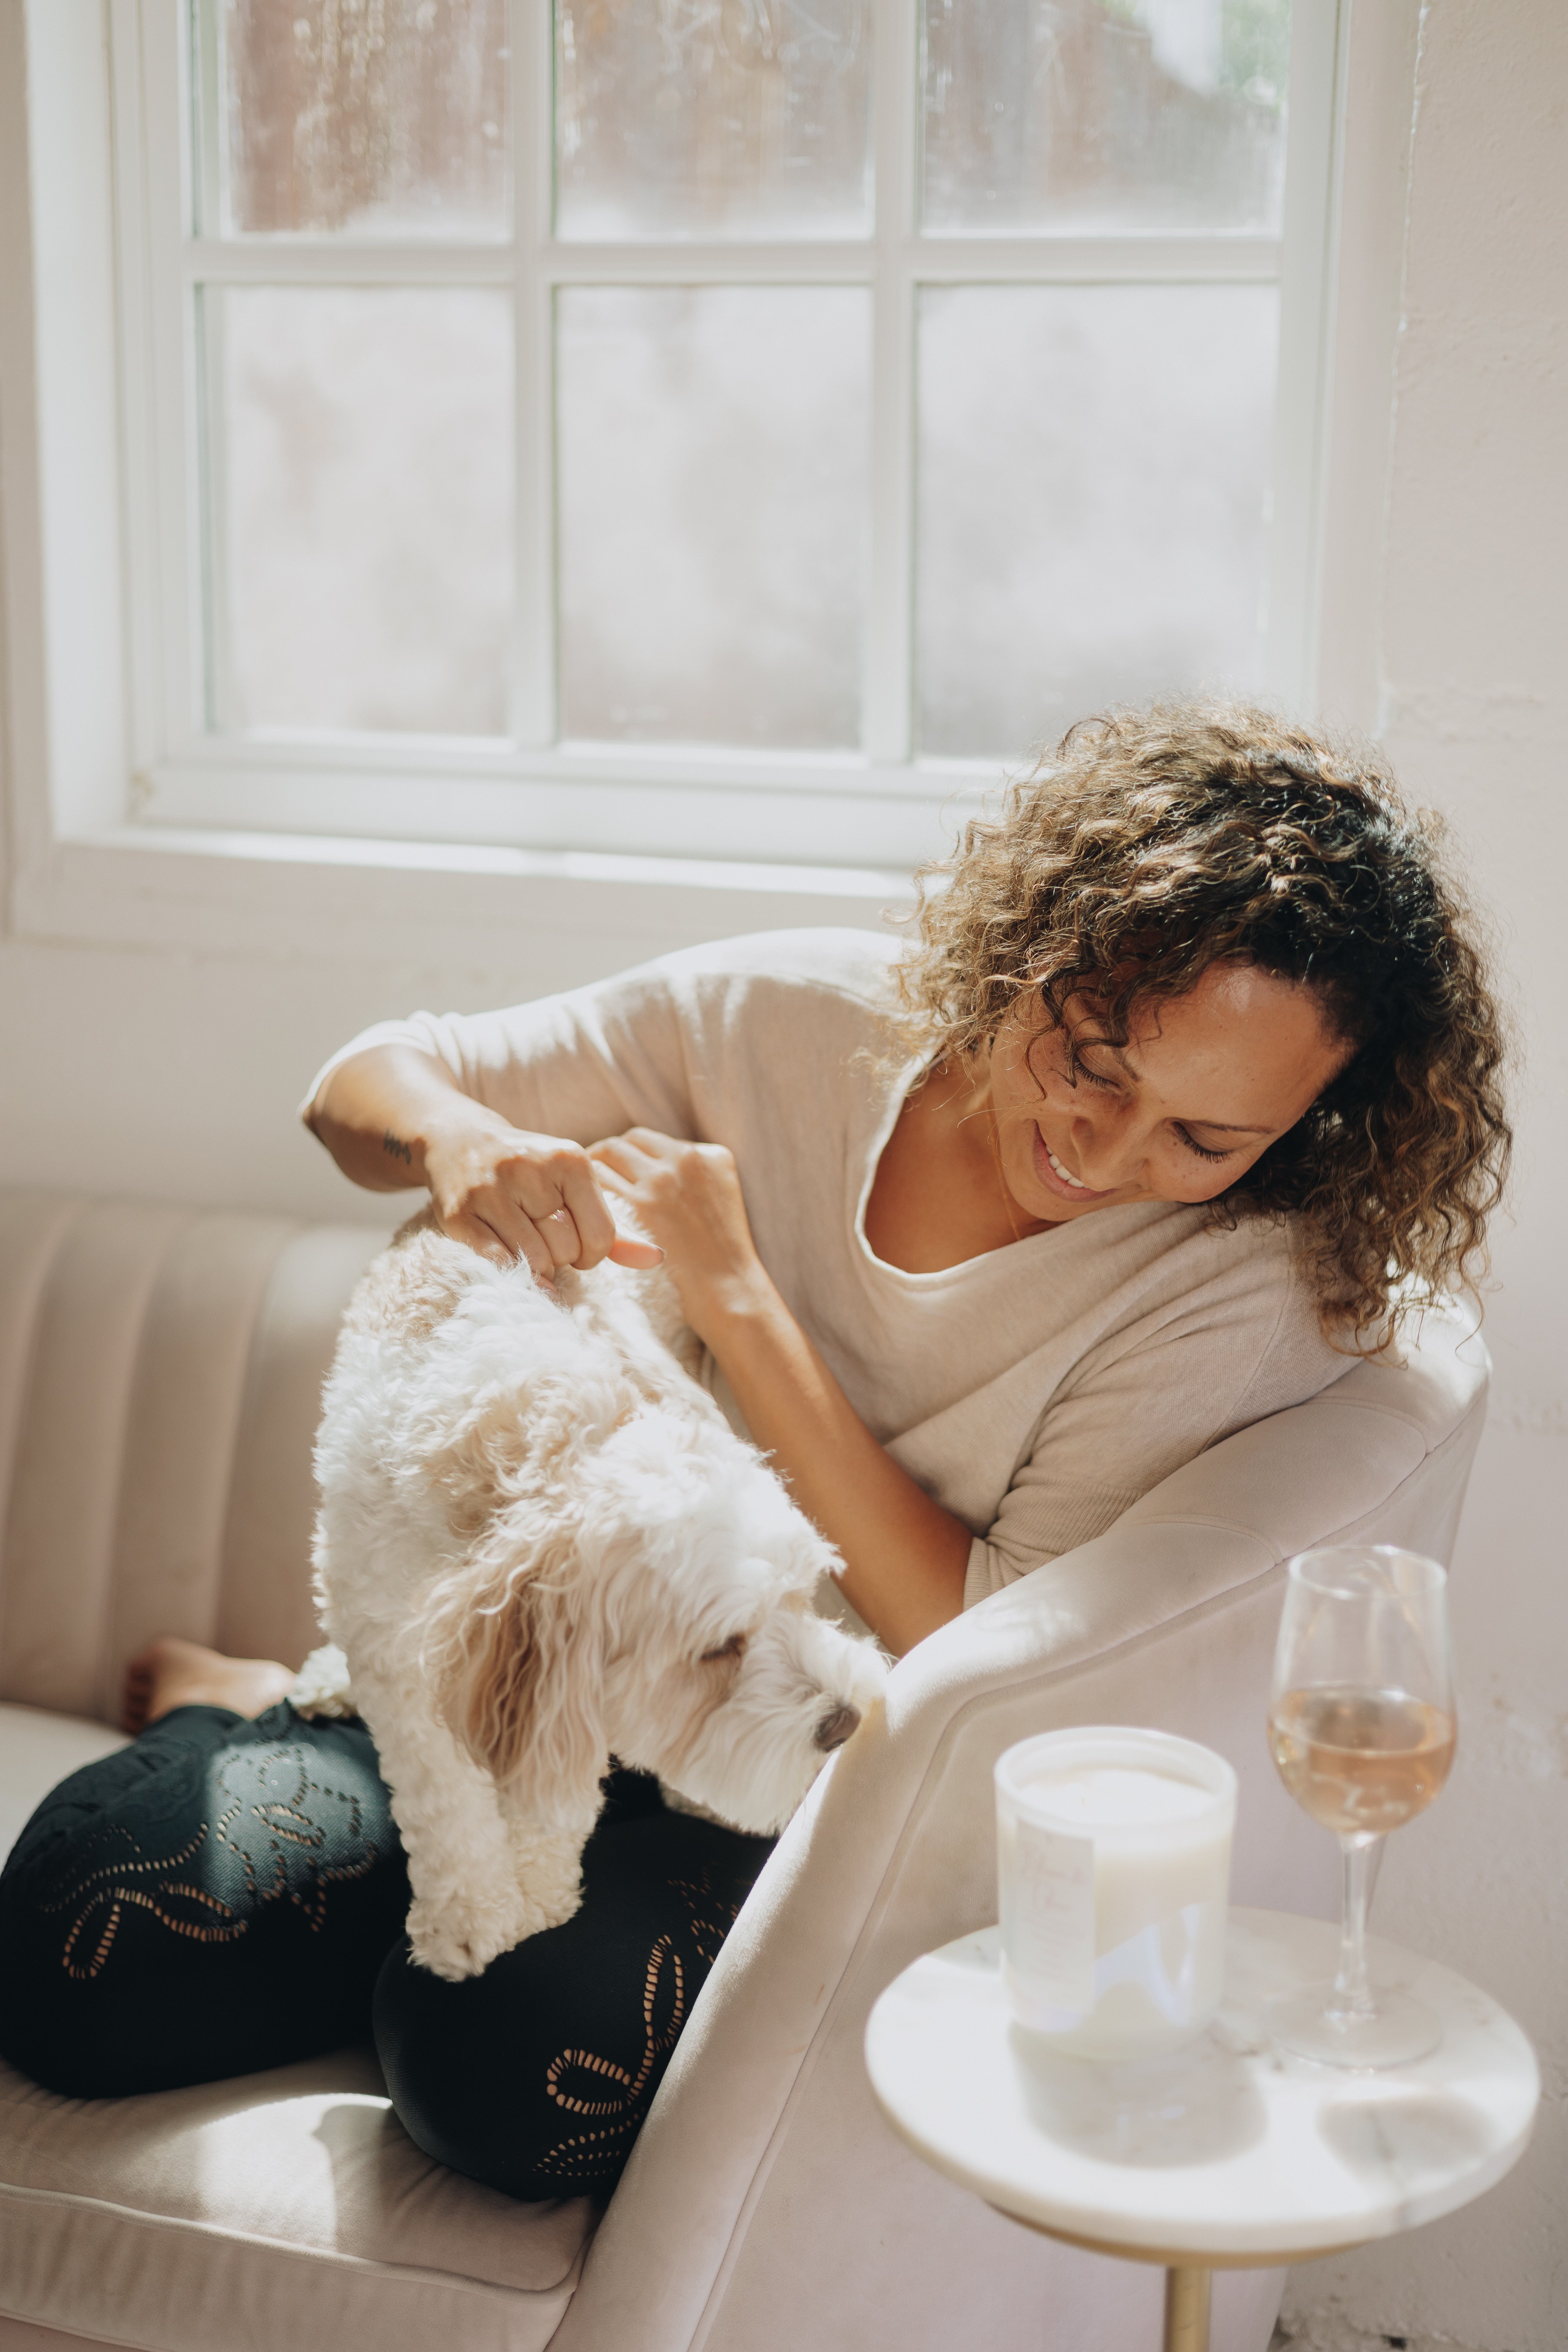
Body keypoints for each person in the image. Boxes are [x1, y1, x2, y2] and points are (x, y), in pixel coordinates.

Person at [0, 703, 1509, 2199]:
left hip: (797, 1754)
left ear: (1302, 1131)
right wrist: (464, 1145)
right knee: (74, 1954)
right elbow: (367, 1084)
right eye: (1093, 1060)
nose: (1108, 1158)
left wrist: (741, 1301)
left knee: (510, 2077)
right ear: (1045, 941)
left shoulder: (1237, 1290)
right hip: (542, 1675)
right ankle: (286, 1717)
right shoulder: (790, 1019)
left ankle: (356, 1843)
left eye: (1205, 1139)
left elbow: (977, 1638)